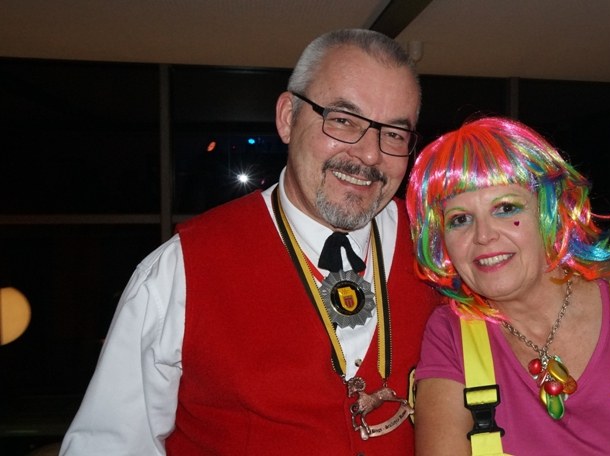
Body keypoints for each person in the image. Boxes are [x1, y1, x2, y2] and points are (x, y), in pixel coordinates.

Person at [59, 29, 440, 455]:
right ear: (287, 117)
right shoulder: (180, 270)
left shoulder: (440, 250)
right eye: (343, 120)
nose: (370, 154)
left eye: (393, 134)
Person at [405, 117, 610, 455]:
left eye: (505, 208)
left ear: (551, 212)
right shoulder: (450, 335)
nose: (483, 235)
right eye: (460, 219)